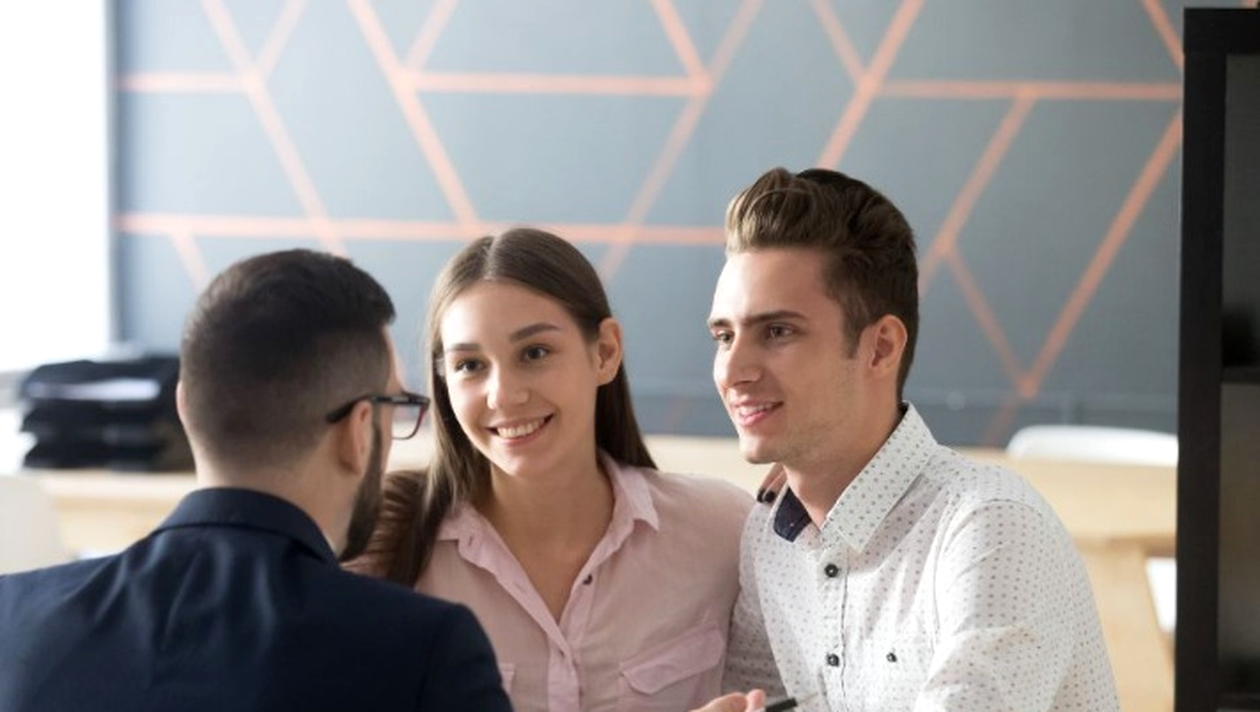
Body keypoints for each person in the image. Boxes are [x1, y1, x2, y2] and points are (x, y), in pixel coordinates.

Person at [0, 250, 512, 712]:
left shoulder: (14, 615)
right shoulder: (424, 652)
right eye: (395, 406)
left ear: (184, 407)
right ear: (359, 431)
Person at [695, 168, 1120, 711]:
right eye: (724, 336)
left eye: (778, 332)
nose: (733, 370)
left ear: (880, 348)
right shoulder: (769, 538)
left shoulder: (992, 528)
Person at [348, 228, 782, 712]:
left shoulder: (723, 531)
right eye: (470, 365)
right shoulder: (382, 548)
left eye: (534, 353)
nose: (504, 395)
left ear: (605, 352)